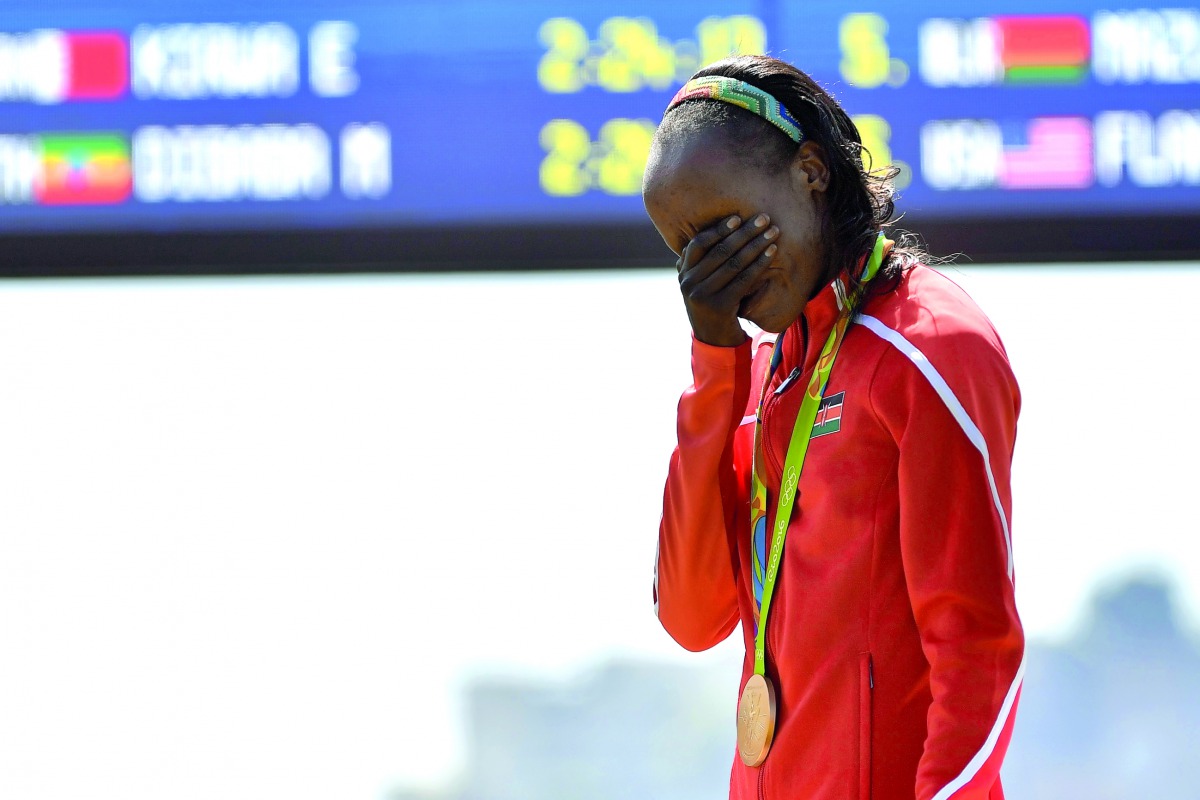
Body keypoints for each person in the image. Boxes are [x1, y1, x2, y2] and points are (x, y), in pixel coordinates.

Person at [643, 55, 1024, 800]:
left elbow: (977, 650)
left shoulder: (930, 347)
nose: (711, 271)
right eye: (684, 250)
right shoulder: (754, 377)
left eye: (724, 229)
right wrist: (714, 360)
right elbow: (692, 616)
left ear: (811, 171)